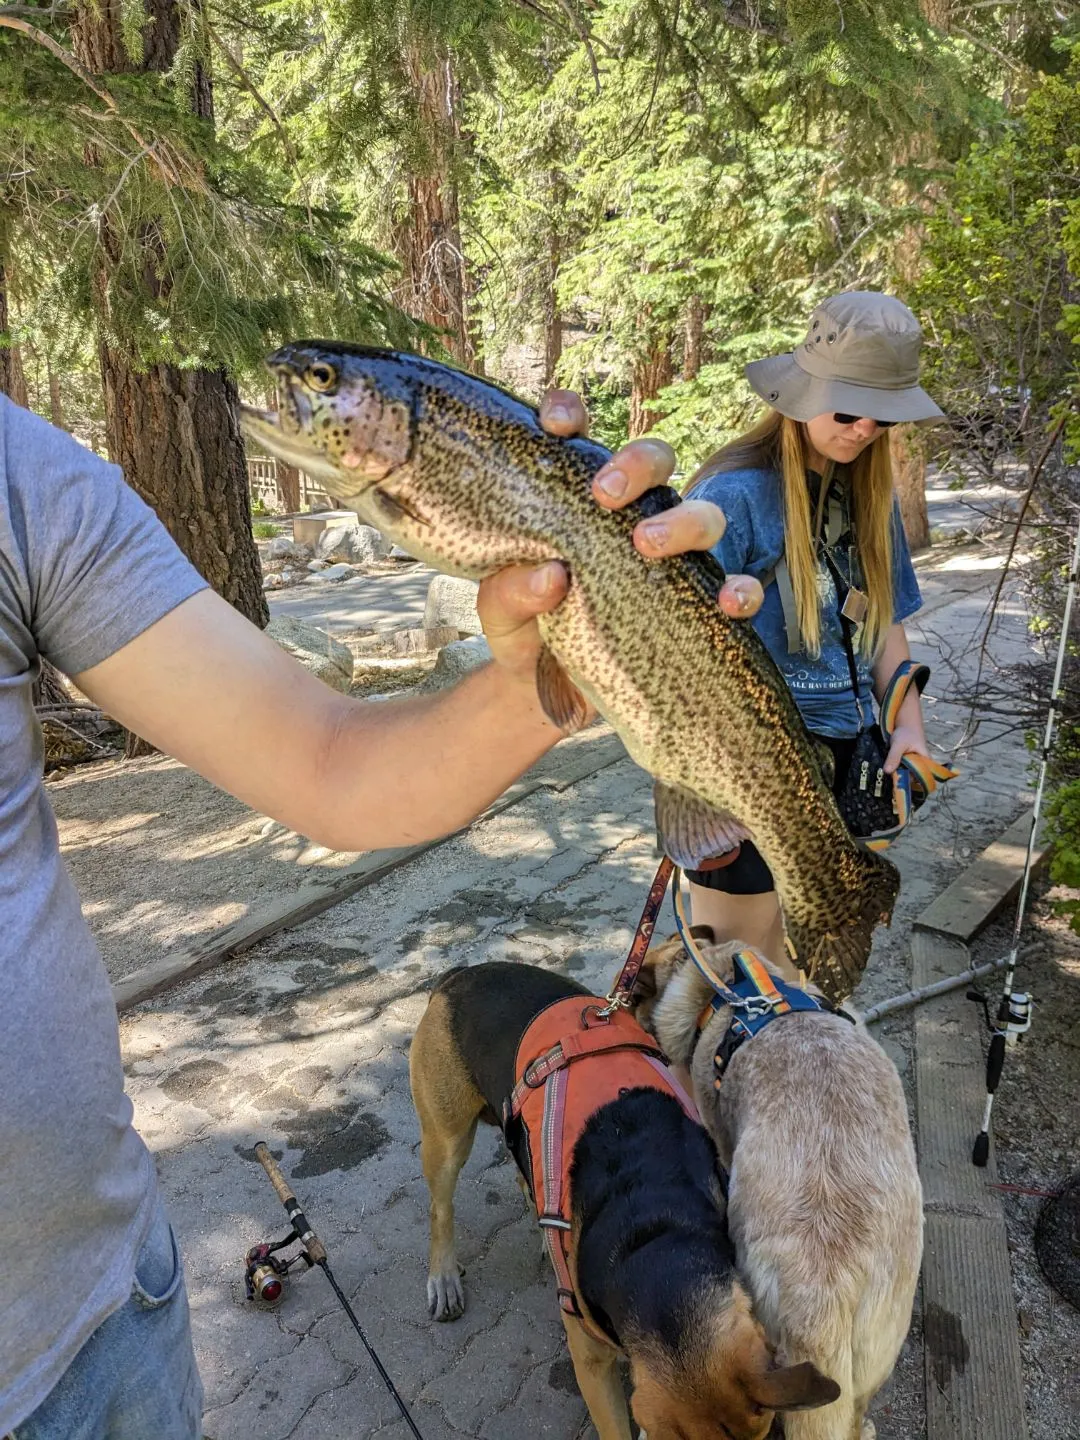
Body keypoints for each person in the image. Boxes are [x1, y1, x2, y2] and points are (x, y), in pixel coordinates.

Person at [0, 384, 763, 1440]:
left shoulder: (24, 480)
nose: (285, 396)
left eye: (319, 391)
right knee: (452, 1154)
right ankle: (447, 1232)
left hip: (109, 1312)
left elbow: (331, 761)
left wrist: (567, 665)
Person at [685, 291, 944, 967]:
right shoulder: (731, 494)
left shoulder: (870, 491)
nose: (863, 430)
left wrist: (908, 729)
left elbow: (883, 621)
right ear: (800, 394)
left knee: (807, 969)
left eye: (882, 416)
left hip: (850, 759)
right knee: (736, 973)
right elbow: (687, 658)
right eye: (849, 409)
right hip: (755, 768)